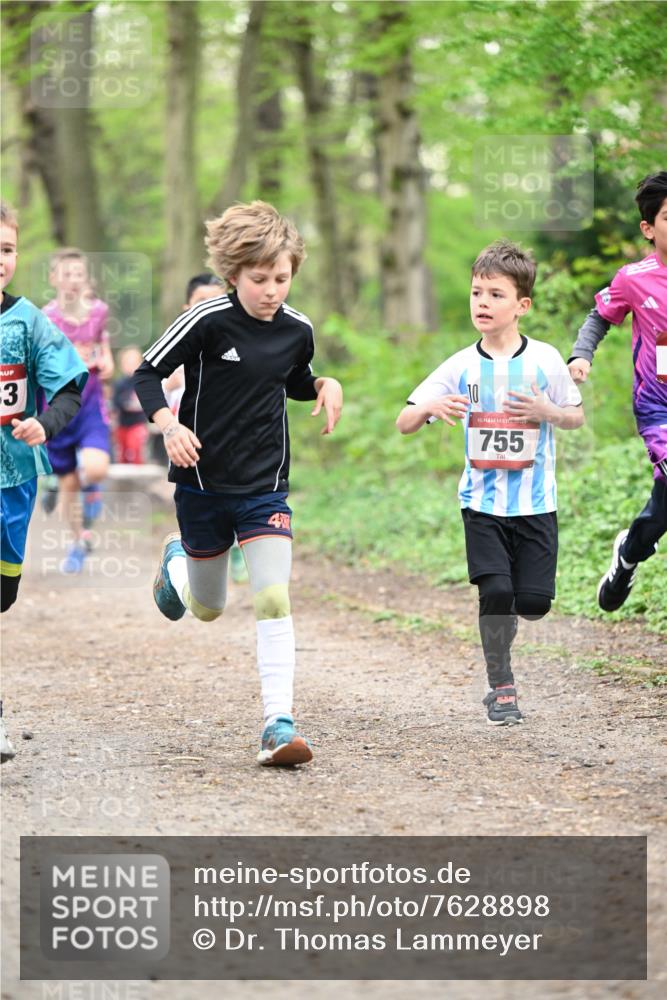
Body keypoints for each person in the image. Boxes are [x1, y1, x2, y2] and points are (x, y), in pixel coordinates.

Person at [134, 201, 343, 765]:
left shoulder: (297, 329)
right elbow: (146, 372)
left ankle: (278, 724)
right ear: (233, 274)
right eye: (259, 280)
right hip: (201, 484)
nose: (272, 290)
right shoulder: (207, 320)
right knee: (207, 608)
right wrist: (168, 424)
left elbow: (292, 378)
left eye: (282, 278)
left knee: (273, 595)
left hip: (264, 486)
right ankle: (178, 563)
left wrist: (324, 383)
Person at [397, 240, 584, 725]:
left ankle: (505, 640)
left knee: (534, 604)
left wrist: (548, 412)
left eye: (496, 295)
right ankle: (501, 683)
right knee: (496, 592)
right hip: (481, 505)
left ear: (522, 305)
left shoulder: (544, 360)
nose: (483, 302)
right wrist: (429, 408)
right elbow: (404, 421)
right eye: (477, 292)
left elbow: (576, 417)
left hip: (537, 504)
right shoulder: (460, 365)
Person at [0, 202, 87, 761]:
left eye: (6, 250)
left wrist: (43, 422)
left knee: (2, 595)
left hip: (12, 480)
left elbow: (73, 385)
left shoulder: (28, 320)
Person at [569, 171, 667, 611]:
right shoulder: (634, 278)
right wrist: (581, 355)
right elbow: (599, 317)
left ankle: (628, 553)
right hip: (659, 406)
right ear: (649, 228)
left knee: (663, 507)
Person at [163, 273, 248, 583]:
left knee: (241, 489)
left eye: (217, 300)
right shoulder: (177, 344)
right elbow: (156, 383)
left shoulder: (237, 341)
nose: (209, 308)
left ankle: (238, 551)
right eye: (201, 302)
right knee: (201, 498)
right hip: (187, 440)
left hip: (232, 437)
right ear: (187, 307)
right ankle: (192, 551)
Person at [41, 248, 114, 573]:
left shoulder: (99, 312)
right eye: (66, 274)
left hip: (90, 407)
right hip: (58, 408)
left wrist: (103, 362)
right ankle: (77, 541)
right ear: (53, 278)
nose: (73, 281)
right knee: (67, 484)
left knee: (96, 468)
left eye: (78, 275)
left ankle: (91, 487)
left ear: (86, 279)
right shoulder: (45, 319)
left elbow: (107, 357)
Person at [112, 346, 149, 464]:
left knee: (135, 447)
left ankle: (139, 473)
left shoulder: (142, 382)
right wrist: (125, 404)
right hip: (123, 423)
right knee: (122, 451)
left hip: (138, 423)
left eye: (133, 363)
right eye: (127, 363)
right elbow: (115, 402)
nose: (130, 366)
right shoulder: (119, 383)